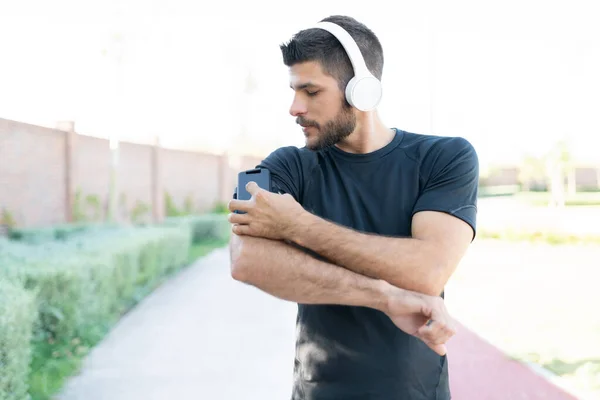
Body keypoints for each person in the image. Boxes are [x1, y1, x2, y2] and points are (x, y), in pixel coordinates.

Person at [227, 14, 479, 400]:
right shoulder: (283, 166)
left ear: (362, 92)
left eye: (311, 92)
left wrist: (296, 225)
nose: (294, 107)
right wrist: (384, 296)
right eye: (294, 91)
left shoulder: (445, 157)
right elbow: (245, 258)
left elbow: (428, 271)